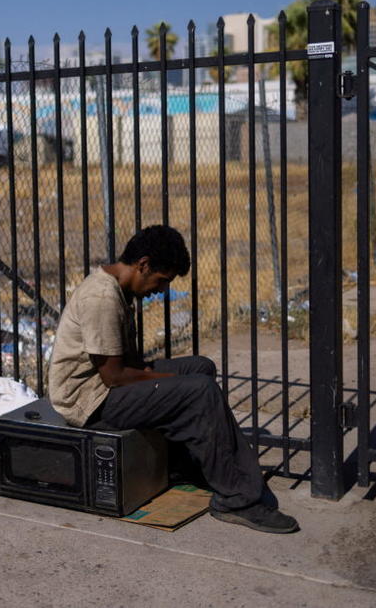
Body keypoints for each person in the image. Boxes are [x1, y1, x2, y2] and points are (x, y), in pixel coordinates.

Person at [48, 224, 299, 534]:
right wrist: (162, 378)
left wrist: (162, 378)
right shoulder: (102, 298)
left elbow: (126, 367)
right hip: (89, 402)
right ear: (143, 264)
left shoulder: (118, 289)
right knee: (199, 392)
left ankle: (180, 467)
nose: (161, 290)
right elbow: (113, 377)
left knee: (200, 368)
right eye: (161, 280)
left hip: (105, 387)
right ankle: (238, 500)